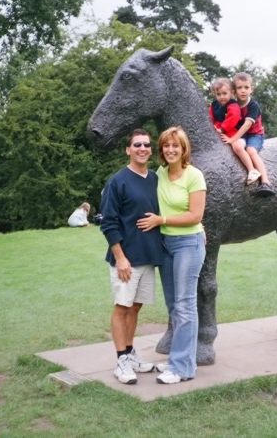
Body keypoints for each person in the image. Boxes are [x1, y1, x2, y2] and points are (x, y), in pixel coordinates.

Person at [137, 126, 206, 384]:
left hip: (188, 243)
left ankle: (183, 368)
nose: (171, 149)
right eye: (166, 145)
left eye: (175, 145)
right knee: (174, 306)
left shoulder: (194, 175)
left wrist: (162, 220)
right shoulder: (161, 173)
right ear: (162, 150)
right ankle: (180, 357)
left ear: (184, 148)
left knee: (186, 305)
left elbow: (196, 216)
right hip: (165, 244)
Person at [99, 129, 164, 385]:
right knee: (122, 307)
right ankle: (121, 361)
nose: (142, 148)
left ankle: (131, 352)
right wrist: (120, 258)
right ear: (128, 150)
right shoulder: (118, 181)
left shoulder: (154, 179)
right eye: (137, 144)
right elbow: (108, 223)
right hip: (126, 259)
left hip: (147, 256)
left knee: (135, 307)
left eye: (147, 144)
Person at [221, 72, 274, 196]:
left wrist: (232, 138)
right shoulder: (232, 104)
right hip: (241, 134)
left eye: (246, 87)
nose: (243, 91)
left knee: (251, 150)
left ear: (252, 89)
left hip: (255, 134)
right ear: (234, 90)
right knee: (237, 147)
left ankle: (265, 181)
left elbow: (247, 125)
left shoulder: (253, 106)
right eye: (239, 88)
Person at [208, 77, 260, 184]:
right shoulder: (214, 105)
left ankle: (252, 170)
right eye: (218, 94)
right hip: (219, 133)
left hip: (235, 134)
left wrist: (222, 129)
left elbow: (233, 118)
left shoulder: (233, 105)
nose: (222, 97)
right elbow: (210, 118)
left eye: (224, 93)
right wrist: (211, 128)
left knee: (238, 147)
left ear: (231, 93)